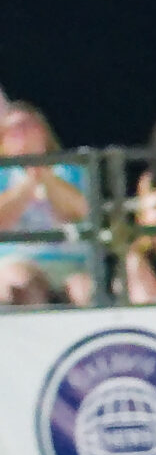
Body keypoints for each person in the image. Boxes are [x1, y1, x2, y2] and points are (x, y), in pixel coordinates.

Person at [0, 105, 95, 305]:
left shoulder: (70, 170)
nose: (23, 134)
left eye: (28, 126)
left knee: (86, 293)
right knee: (22, 285)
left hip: (69, 263)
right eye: (15, 129)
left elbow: (79, 212)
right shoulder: (2, 175)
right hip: (17, 260)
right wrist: (28, 183)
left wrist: (42, 172)